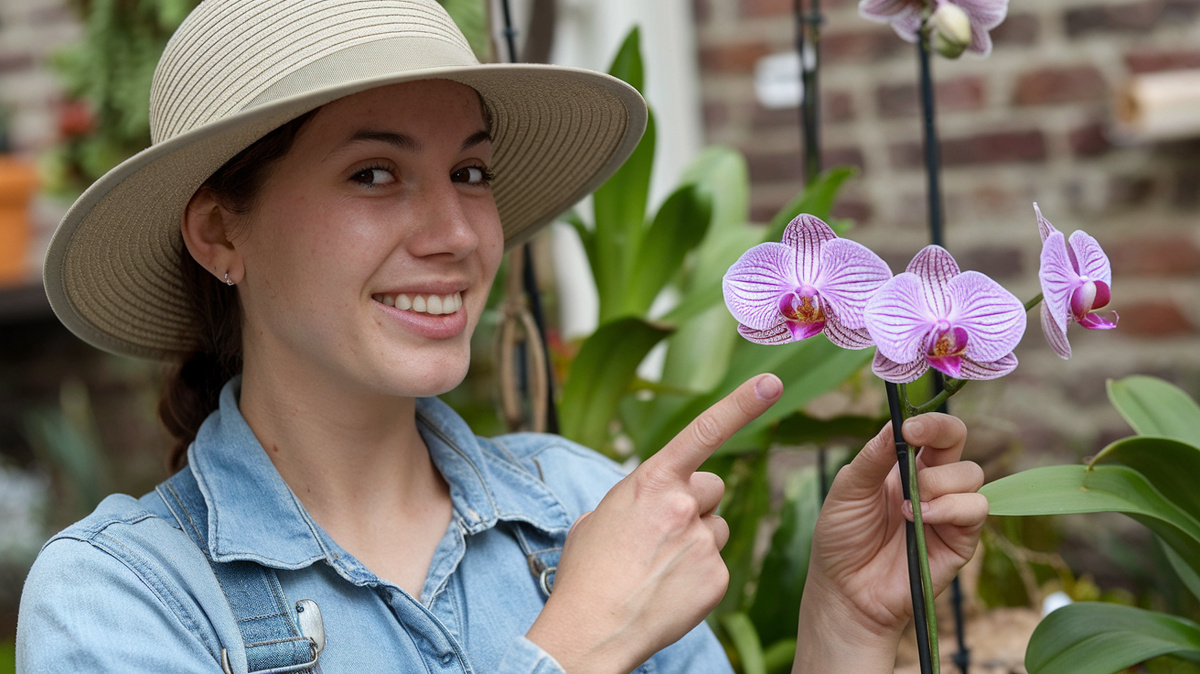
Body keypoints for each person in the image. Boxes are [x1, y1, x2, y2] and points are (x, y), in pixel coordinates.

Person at [17, 1, 988, 672]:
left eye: (471, 174)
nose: (454, 234)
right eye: (373, 174)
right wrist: (575, 641)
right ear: (221, 232)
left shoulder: (581, 504)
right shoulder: (125, 598)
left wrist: (845, 629)